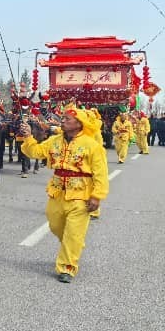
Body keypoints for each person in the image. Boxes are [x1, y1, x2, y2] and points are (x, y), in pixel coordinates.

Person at [20, 105, 109, 283]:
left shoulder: (92, 145)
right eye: (63, 118)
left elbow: (101, 173)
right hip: (57, 192)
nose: (63, 121)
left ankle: (67, 267)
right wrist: (28, 136)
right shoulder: (55, 141)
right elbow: (35, 152)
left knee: (73, 233)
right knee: (55, 225)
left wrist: (97, 196)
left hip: (81, 195)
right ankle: (72, 246)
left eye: (67, 119)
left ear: (79, 124)